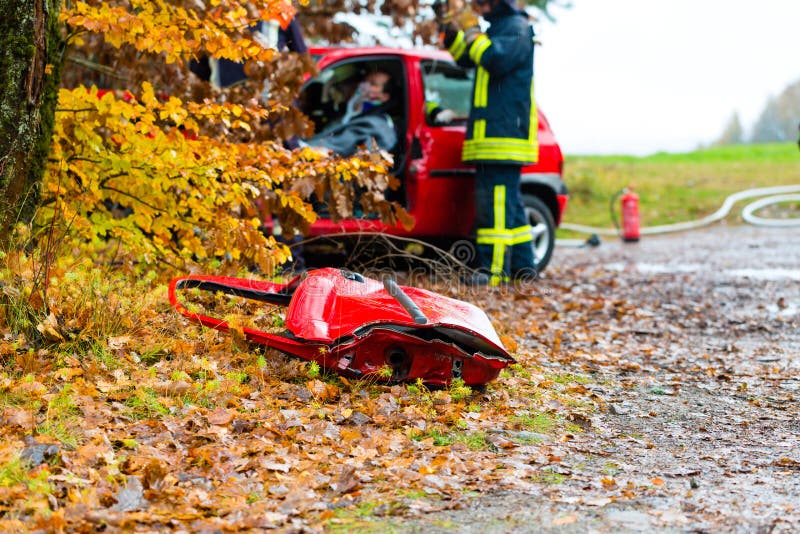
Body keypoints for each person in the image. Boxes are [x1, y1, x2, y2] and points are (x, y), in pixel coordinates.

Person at [436, 0, 538, 286]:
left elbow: (494, 59)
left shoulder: (516, 28)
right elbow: (465, 57)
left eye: (482, 3)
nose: (478, 8)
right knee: (510, 206)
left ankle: (493, 271)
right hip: (492, 135)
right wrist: (451, 25)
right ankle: (523, 268)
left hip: (503, 135)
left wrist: (472, 31)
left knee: (494, 205)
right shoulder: (499, 29)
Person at [303, 69, 398, 157]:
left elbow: (334, 147)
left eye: (373, 84)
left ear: (384, 96)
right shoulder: (350, 113)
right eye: (366, 81)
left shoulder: (376, 126)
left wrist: (297, 145)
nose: (364, 85)